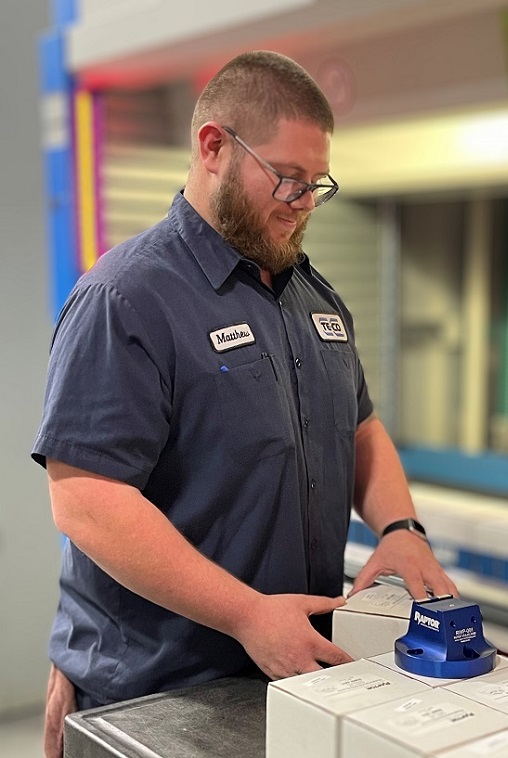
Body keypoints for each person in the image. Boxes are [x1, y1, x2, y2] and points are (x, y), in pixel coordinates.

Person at [33, 50, 458, 757]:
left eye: (316, 184)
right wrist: (248, 616)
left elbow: (360, 427)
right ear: (213, 148)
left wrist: (401, 526)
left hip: (288, 680)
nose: (303, 202)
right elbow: (87, 502)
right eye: (287, 179)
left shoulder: (314, 299)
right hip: (157, 691)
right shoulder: (127, 297)